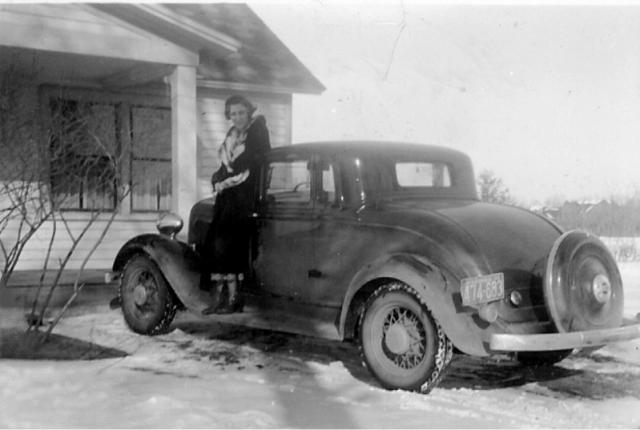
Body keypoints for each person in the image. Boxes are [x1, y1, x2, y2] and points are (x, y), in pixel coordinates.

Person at [201, 95, 271, 314]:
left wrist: (226, 178)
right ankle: (218, 297)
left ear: (248, 112)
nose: (237, 117)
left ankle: (234, 298)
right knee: (216, 244)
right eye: (233, 114)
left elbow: (251, 162)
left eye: (241, 112)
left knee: (231, 246)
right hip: (228, 196)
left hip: (245, 195)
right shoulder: (231, 134)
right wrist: (218, 178)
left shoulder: (257, 130)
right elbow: (226, 165)